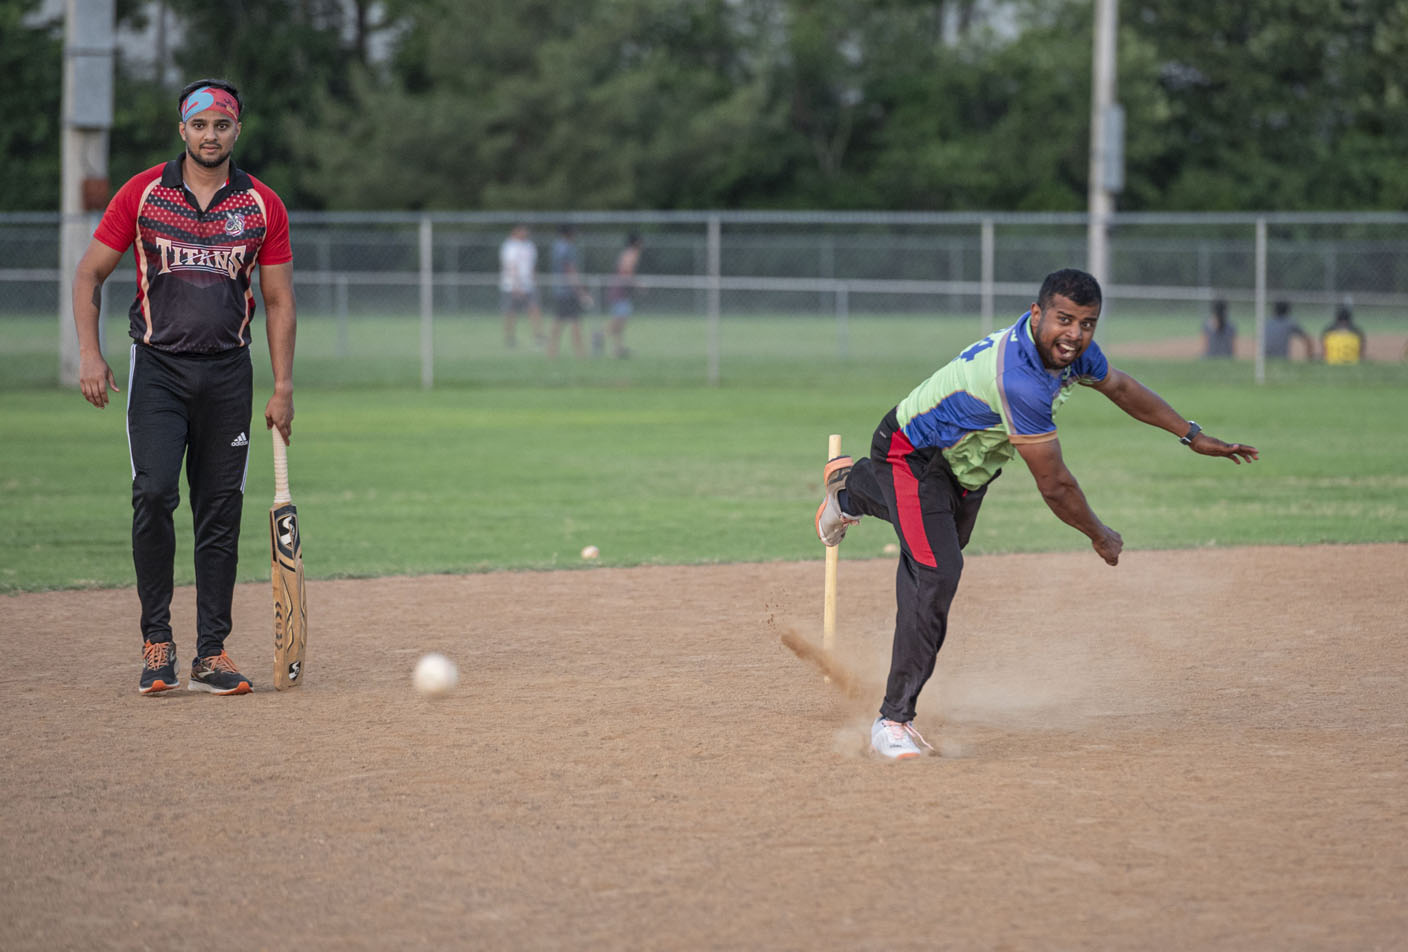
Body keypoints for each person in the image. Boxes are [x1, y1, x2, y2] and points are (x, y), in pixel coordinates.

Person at [814, 269, 1258, 760]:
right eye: (1064, 320)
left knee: (935, 553)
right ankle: (893, 722)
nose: (1075, 335)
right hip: (911, 455)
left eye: (1087, 323)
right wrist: (1099, 533)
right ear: (1036, 314)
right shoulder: (1020, 380)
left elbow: (1123, 388)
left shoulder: (1073, 354)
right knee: (936, 573)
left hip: (967, 467)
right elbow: (1055, 485)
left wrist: (1191, 434)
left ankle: (850, 490)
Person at [72, 78, 296, 696]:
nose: (210, 135)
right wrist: (89, 354)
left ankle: (212, 653)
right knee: (153, 495)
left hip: (229, 373)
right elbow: (89, 274)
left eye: (222, 125)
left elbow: (278, 301)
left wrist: (283, 386)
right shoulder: (143, 193)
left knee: (220, 513)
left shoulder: (262, 204)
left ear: (236, 132)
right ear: (183, 130)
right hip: (159, 369)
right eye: (200, 125)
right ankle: (157, 641)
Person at [594, 232, 643, 359]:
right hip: (619, 290)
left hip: (619, 289)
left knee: (620, 320)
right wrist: (637, 284)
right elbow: (625, 271)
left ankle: (618, 349)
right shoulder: (631, 254)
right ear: (636, 243)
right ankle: (600, 335)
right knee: (619, 320)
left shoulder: (628, 253)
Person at [547, 225, 590, 359]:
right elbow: (570, 270)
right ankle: (579, 352)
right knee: (574, 320)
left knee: (559, 320)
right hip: (568, 290)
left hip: (559, 289)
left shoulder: (556, 247)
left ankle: (552, 351)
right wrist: (581, 291)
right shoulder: (568, 248)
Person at [499, 224, 543, 348]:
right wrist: (516, 286)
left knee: (534, 309)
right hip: (511, 286)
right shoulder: (509, 246)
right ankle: (510, 338)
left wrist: (534, 282)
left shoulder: (529, 246)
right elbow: (510, 266)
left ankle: (538, 336)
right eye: (522, 231)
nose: (525, 233)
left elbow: (533, 266)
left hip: (528, 285)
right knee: (510, 312)